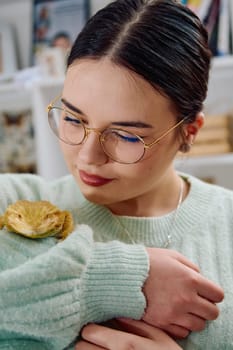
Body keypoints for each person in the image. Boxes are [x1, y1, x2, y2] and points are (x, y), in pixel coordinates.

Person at [0, 0, 231, 349]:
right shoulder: (15, 201)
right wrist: (114, 278)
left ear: (190, 132)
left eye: (125, 136)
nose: (88, 157)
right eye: (74, 119)